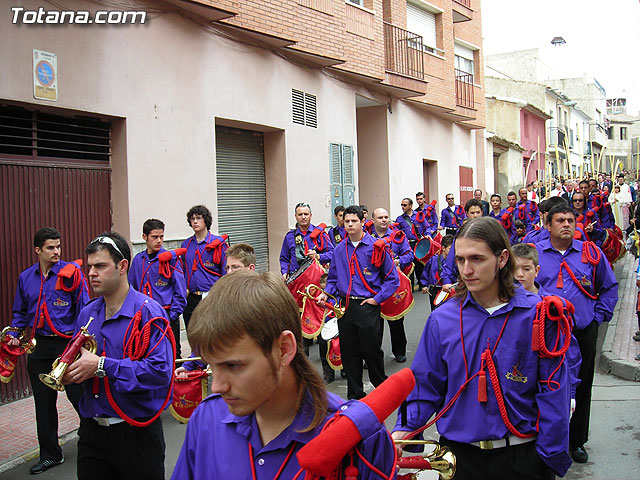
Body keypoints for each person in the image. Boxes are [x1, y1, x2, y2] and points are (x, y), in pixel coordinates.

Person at [392, 217, 573, 480]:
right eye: (460, 260)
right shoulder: (442, 319)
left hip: (522, 458)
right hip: (458, 460)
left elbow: (555, 393)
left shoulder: (540, 315)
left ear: (501, 259)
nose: (466, 270)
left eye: (477, 259)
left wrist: (546, 458)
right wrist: (404, 431)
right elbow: (425, 385)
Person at [171, 271, 397, 479]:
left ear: (283, 349)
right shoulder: (206, 419)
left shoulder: (361, 440)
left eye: (233, 366)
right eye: (212, 366)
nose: (217, 386)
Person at [63, 232, 174, 479]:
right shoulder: (87, 313)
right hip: (92, 433)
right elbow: (81, 363)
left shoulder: (149, 313)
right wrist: (70, 373)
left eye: (100, 266)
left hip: (137, 435)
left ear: (122, 266)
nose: (91, 273)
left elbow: (160, 373)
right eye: (90, 266)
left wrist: (102, 365)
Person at [535, 205, 618, 464]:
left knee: (581, 388)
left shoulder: (590, 253)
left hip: (582, 332)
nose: (567, 225)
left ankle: (576, 441)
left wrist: (597, 317)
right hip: (546, 336)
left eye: (571, 220)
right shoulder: (534, 254)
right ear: (548, 225)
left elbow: (608, 286)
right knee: (545, 387)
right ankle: (544, 440)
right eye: (560, 220)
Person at [8, 227, 89, 474]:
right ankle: (51, 454)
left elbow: (85, 311)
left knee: (79, 398)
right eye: (50, 248)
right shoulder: (26, 278)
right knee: (43, 404)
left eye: (58, 246)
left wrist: (79, 345)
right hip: (39, 346)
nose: (56, 251)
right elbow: (20, 312)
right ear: (38, 250)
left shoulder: (72, 273)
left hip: (67, 346)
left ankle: (94, 443)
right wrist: (14, 333)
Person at [317, 205, 399, 400]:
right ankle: (355, 396)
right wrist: (326, 294)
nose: (350, 225)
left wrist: (376, 299)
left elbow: (392, 279)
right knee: (349, 354)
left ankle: (382, 390)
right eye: (347, 221)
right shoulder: (338, 250)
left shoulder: (376, 247)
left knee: (371, 351)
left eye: (354, 221)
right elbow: (333, 279)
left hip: (368, 306)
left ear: (363, 222)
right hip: (345, 308)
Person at [129, 218, 187, 358]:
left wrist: (172, 316)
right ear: (145, 237)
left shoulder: (171, 259)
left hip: (166, 314)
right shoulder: (138, 260)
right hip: (144, 317)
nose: (159, 241)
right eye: (155, 237)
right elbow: (131, 290)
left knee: (172, 354)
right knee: (147, 353)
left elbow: (180, 291)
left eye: (161, 237)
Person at [371, 207, 413, 363]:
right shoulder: (368, 237)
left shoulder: (397, 236)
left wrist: (398, 261)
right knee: (374, 324)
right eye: (380, 217)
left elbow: (409, 254)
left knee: (396, 322)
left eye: (386, 217)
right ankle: (374, 355)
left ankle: (399, 351)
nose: (383, 220)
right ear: (373, 220)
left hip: (393, 285)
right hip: (374, 286)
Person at [181, 205, 227, 331]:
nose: (195, 221)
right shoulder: (186, 245)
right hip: (191, 297)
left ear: (205, 220)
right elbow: (183, 269)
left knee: (211, 334)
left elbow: (225, 271)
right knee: (192, 332)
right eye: (192, 219)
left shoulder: (218, 244)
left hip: (211, 296)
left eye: (198, 218)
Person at [279, 202, 334, 280]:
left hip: (316, 279)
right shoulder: (289, 236)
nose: (303, 217)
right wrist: (284, 273)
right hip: (296, 281)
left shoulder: (320, 234)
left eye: (306, 214)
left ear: (310, 215)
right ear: (295, 216)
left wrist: (318, 256)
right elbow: (284, 258)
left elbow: (333, 254)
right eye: (300, 214)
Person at [439, 199, 485, 291]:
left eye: (478, 212)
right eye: (472, 213)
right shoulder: (461, 234)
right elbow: (451, 259)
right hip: (467, 279)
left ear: (482, 213)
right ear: (467, 214)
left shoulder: (490, 231)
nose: (475, 216)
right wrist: (447, 281)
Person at [420, 234, 454, 307]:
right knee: (435, 311)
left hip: (449, 290)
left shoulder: (455, 262)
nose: (453, 252)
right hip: (435, 289)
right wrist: (425, 286)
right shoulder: (433, 260)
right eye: (450, 249)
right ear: (443, 248)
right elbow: (425, 272)